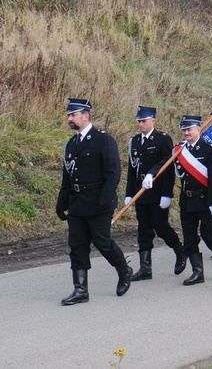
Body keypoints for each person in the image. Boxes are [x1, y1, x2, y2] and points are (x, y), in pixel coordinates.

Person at [56, 98, 131, 305]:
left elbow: (113, 171)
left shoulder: (103, 140)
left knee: (102, 242)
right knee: (77, 245)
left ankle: (124, 270)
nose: (69, 119)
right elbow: (67, 176)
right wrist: (62, 202)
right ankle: (80, 289)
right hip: (77, 202)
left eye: (73, 115)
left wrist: (107, 198)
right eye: (69, 115)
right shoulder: (71, 144)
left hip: (98, 202)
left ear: (85, 116)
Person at [125, 106, 186, 281]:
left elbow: (167, 166)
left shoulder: (162, 139)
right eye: (139, 121)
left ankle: (180, 251)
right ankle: (145, 268)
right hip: (140, 192)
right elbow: (132, 170)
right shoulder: (134, 141)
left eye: (144, 121)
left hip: (157, 191)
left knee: (161, 227)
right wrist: (129, 194)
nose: (141, 124)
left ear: (153, 121)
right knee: (143, 229)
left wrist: (167, 194)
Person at [174, 115, 212, 285]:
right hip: (187, 200)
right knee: (189, 238)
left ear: (198, 129)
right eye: (184, 130)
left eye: (189, 129)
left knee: (210, 236)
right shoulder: (180, 150)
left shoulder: (209, 149)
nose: (186, 133)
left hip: (205, 200)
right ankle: (197, 272)